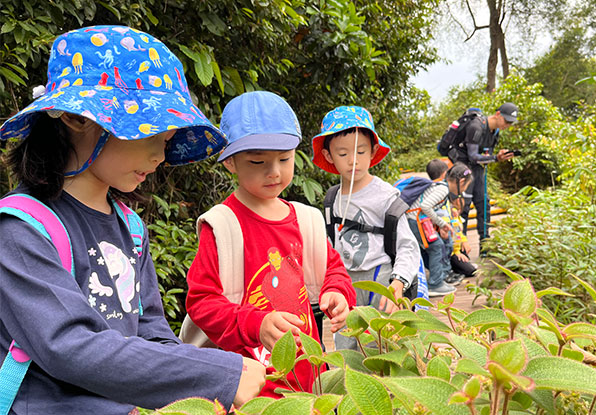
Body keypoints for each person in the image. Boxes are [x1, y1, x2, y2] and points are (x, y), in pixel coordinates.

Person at [0, 26, 266, 414]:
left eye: (168, 139)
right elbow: (69, 346)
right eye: (151, 133)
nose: (161, 155)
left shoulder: (131, 228)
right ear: (77, 118)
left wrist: (201, 393)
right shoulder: (21, 230)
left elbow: (153, 333)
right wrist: (215, 374)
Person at [184, 91, 356, 398]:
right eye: (257, 161)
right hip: (251, 387)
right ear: (230, 163)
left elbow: (335, 270)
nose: (274, 171)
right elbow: (201, 302)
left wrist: (337, 293)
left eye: (284, 159)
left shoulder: (306, 220)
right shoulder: (223, 225)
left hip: (308, 377)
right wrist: (256, 324)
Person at [311, 105, 421, 350]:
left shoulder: (386, 197)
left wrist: (398, 284)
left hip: (380, 280)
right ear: (328, 156)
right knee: (347, 345)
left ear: (372, 152)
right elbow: (330, 245)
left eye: (361, 151)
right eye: (342, 154)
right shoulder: (333, 198)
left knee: (381, 345)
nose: (353, 160)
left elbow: (407, 246)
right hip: (345, 283)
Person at [452, 103, 518, 246]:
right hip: (463, 168)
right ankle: (460, 246)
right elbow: (473, 156)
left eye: (511, 123)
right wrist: (496, 158)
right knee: (463, 206)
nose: (508, 125)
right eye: (506, 121)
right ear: (498, 114)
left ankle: (485, 244)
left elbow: (485, 155)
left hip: (477, 169)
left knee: (483, 205)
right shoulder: (476, 127)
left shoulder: (495, 132)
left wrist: (496, 156)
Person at [403, 160, 464, 297]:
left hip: (413, 220)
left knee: (431, 247)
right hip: (414, 220)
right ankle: (435, 284)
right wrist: (442, 223)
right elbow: (425, 206)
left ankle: (436, 278)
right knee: (436, 246)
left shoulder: (439, 186)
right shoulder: (443, 188)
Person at [427, 160, 477, 279]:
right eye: (466, 186)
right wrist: (457, 252)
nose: (464, 191)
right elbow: (448, 230)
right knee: (470, 270)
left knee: (467, 263)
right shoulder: (442, 193)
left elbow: (455, 229)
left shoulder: (444, 194)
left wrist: (463, 240)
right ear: (462, 181)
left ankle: (449, 270)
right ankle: (444, 275)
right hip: (447, 246)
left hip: (453, 244)